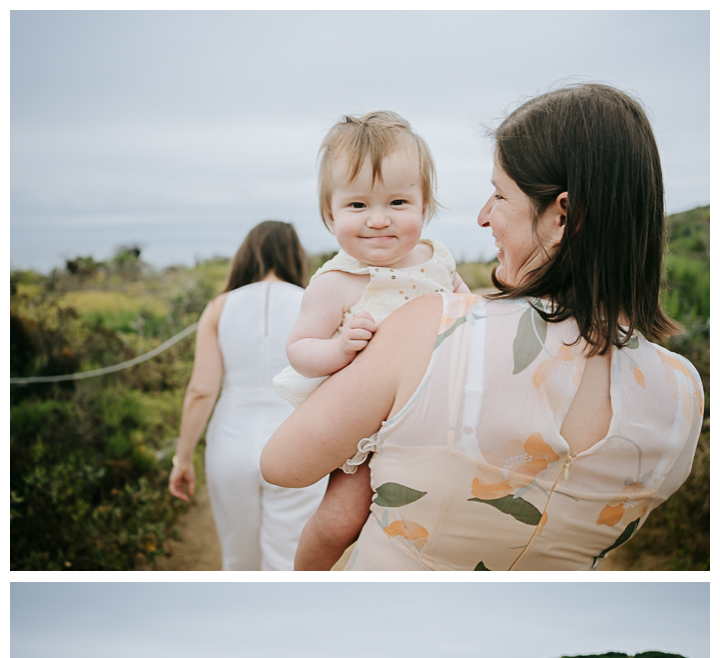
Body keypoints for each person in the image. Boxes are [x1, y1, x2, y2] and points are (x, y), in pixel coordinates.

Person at [261, 85, 705, 571]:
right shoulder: (685, 392)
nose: (482, 215)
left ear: (562, 216)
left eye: (499, 194)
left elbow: (282, 464)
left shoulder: (434, 326)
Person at [273, 111, 470, 569]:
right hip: (370, 423)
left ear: (426, 206)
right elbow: (299, 350)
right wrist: (340, 348)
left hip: (437, 410)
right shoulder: (337, 282)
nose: (378, 220)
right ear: (330, 214)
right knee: (342, 519)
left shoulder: (436, 260)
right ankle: (306, 578)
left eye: (398, 203)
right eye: (358, 205)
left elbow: (467, 308)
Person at [169, 221, 326, 570]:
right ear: (295, 256)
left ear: (246, 255)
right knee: (288, 563)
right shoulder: (314, 303)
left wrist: (182, 458)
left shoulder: (219, 307)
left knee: (237, 561)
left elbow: (200, 391)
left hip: (229, 445)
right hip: (297, 443)